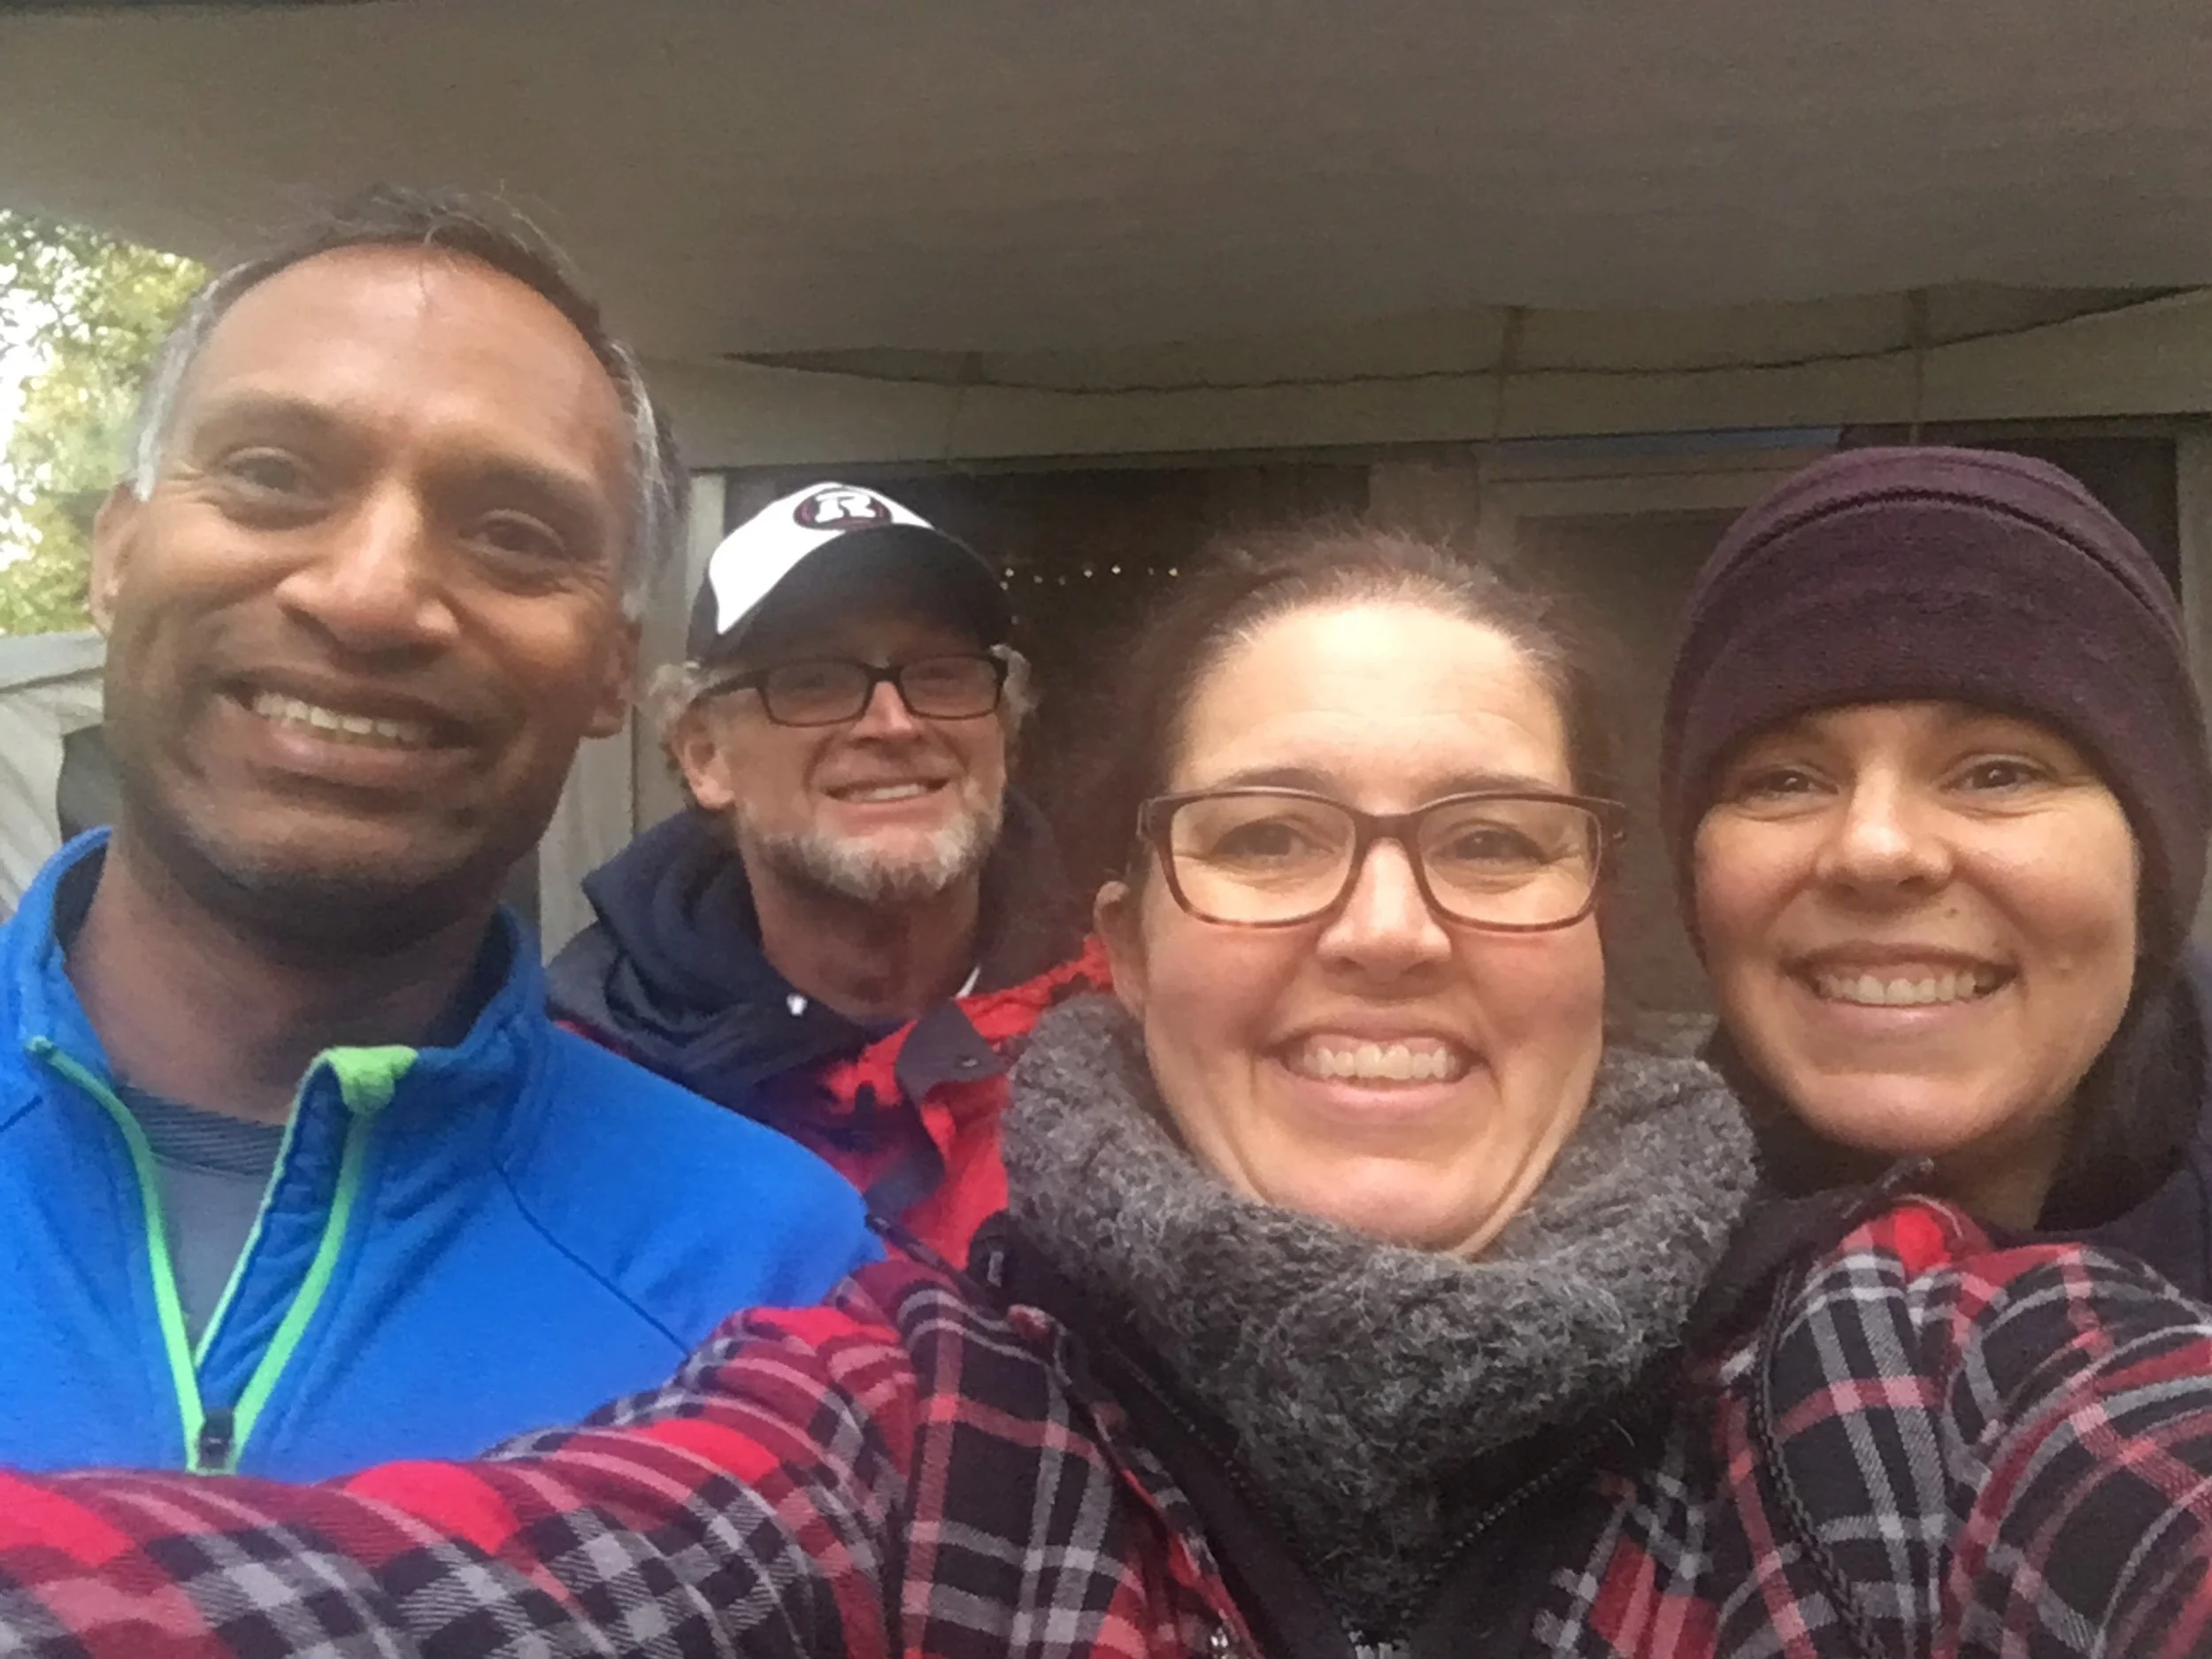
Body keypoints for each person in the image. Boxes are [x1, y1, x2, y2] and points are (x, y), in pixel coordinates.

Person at [7, 520, 2212, 1659]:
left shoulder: (1912, 1384)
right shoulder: (919, 1430)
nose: (1384, 926)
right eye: (1265, 832)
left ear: (1593, 918)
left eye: (1487, 837)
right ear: (1123, 941)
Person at [0, 187, 876, 1480]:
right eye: (272, 476)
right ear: (117, 554)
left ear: (612, 671)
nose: (368, 596)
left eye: (514, 535)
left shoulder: (781, 1283)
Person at [1662, 445, 2212, 1292]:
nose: (1875, 848)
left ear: (2155, 857)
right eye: (1785, 781)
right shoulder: (1565, 1287)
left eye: (1998, 773)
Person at [549, 480, 1099, 1258]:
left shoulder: (1146, 1032)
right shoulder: (581, 1096)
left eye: (941, 673)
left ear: (1002, 733)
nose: (894, 723)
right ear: (705, 757)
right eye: (813, 680)